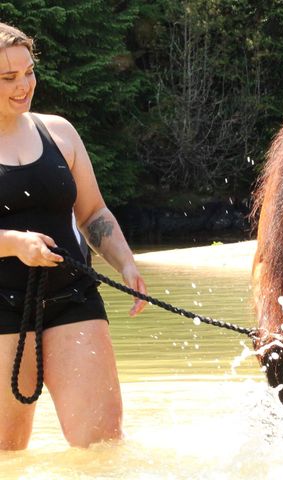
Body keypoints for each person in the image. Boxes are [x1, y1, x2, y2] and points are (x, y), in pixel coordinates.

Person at [0, 22, 147, 450]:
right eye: (8, 77)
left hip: (72, 298)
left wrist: (125, 262)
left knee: (103, 449)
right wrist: (13, 244)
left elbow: (94, 213)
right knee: (7, 457)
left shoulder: (59, 132)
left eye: (28, 72)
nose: (23, 85)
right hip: (3, 306)